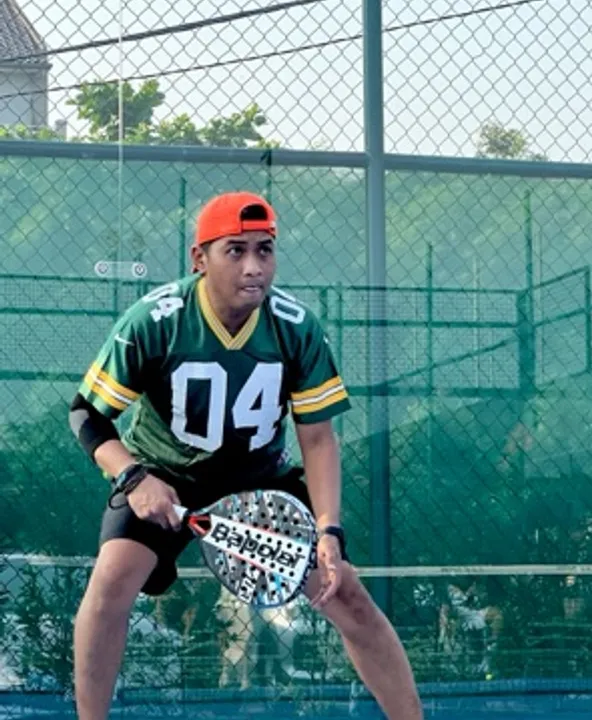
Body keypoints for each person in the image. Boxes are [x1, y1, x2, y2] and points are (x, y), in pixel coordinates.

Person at [69, 191, 423, 719]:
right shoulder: (154, 320)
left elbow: (318, 438)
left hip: (260, 484)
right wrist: (134, 477)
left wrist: (328, 528)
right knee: (111, 584)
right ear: (199, 258)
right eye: (235, 250)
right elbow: (87, 415)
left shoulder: (296, 327)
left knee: (345, 593)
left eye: (265, 249)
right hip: (163, 472)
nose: (254, 266)